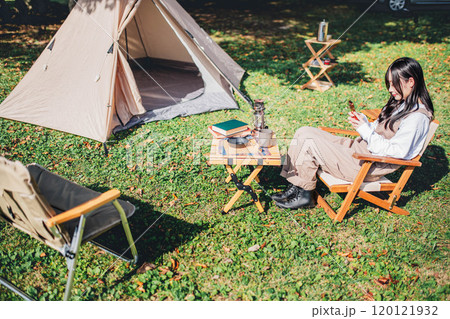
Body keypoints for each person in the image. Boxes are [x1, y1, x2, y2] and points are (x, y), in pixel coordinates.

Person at [272, 57, 434, 209]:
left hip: (366, 163)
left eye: (394, 84)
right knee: (304, 131)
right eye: (389, 84)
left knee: (308, 141)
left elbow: (397, 152)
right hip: (358, 150)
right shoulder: (403, 104)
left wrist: (364, 130)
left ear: (410, 81)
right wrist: (364, 122)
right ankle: (296, 187)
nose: (390, 89)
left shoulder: (417, 118)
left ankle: (304, 195)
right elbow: (380, 130)